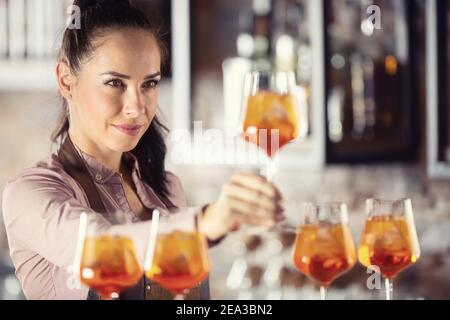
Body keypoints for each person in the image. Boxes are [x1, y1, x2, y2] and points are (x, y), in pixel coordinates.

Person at [1, 0, 285, 300]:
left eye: (149, 84)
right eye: (114, 83)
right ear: (66, 81)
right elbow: (100, 245)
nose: (137, 108)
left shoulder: (165, 188)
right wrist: (204, 224)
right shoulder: (30, 194)